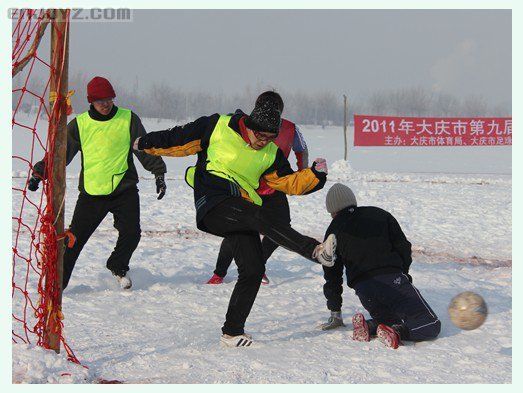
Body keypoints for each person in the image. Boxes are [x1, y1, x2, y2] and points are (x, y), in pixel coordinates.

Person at [134, 92, 336, 347]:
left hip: (242, 209)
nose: (263, 142)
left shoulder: (272, 154)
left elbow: (288, 183)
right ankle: (316, 251)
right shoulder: (217, 126)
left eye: (270, 137)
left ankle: (232, 332)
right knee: (259, 214)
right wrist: (142, 143)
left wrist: (315, 176)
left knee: (253, 270)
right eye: (259, 135)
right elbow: (177, 139)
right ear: (249, 124)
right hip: (214, 202)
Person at [28, 76, 167, 290]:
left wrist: (158, 173)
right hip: (92, 193)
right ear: (91, 102)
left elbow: (144, 148)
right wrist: (40, 172)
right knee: (73, 241)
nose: (105, 104)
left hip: (124, 188)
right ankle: (57, 286)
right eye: (100, 100)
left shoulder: (128, 119)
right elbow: (60, 155)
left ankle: (117, 265)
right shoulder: (80, 124)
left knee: (132, 233)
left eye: (109, 99)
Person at [320, 183, 441, 349]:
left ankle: (371, 327)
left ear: (332, 211)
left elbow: (331, 271)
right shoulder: (379, 214)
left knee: (392, 320)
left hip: (363, 288)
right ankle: (397, 334)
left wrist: (335, 310)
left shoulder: (333, 229)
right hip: (390, 279)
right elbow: (403, 246)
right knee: (429, 324)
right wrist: (403, 274)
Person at [206, 91, 309, 286]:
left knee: (244, 228)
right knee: (275, 228)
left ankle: (226, 272)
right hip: (257, 187)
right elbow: (302, 151)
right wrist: (301, 174)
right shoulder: (289, 128)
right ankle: (226, 271)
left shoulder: (249, 124)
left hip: (254, 187)